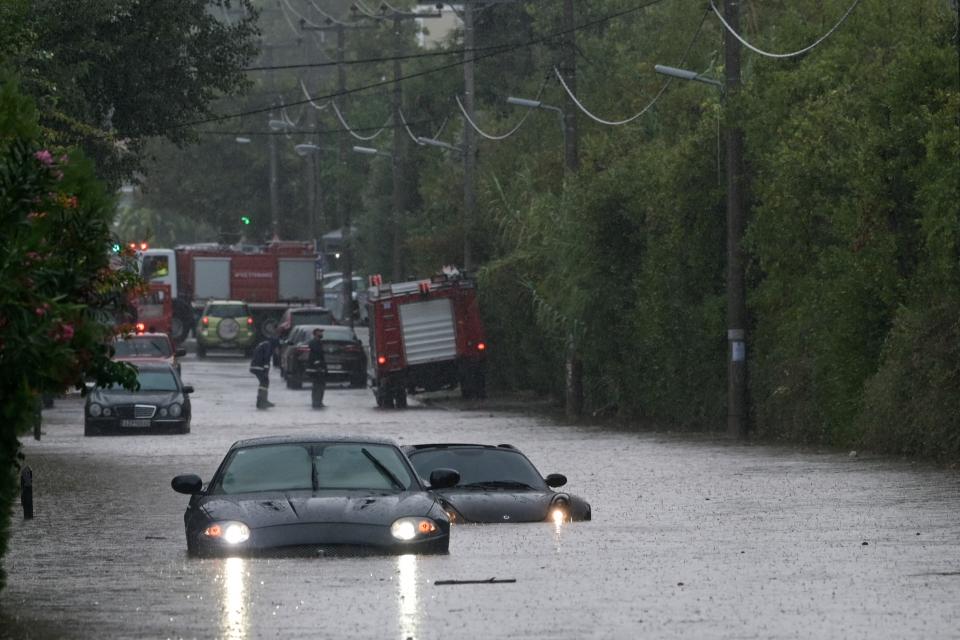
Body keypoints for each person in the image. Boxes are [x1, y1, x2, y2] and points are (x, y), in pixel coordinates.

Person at [249, 338, 278, 409]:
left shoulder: (264, 344)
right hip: (259, 367)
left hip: (255, 366)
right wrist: (266, 369)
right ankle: (262, 401)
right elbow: (266, 358)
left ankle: (261, 401)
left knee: (264, 382)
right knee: (264, 382)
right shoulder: (268, 346)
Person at [306, 328, 327, 408]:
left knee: (320, 385)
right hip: (316, 368)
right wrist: (318, 366)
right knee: (318, 385)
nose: (321, 333)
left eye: (322, 332)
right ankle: (316, 402)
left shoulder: (319, 342)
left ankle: (319, 401)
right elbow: (316, 355)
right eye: (320, 332)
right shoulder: (315, 343)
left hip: (319, 367)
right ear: (315, 334)